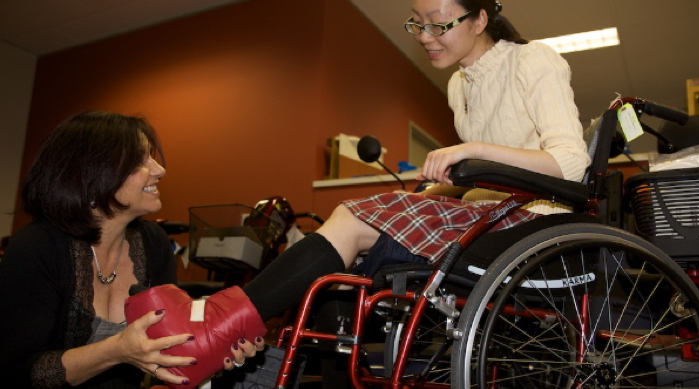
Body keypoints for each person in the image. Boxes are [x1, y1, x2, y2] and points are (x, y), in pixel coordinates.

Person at [241, 0, 590, 322]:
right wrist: (438, 187)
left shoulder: (533, 60)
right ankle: (234, 330)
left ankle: (223, 323)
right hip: (486, 216)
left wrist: (474, 150)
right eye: (418, 24)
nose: (425, 36)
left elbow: (572, 162)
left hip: (533, 224)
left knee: (351, 221)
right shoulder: (458, 85)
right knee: (341, 282)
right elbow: (487, 178)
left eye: (438, 24)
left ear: (480, 19)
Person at [0, 111, 262, 389]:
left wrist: (218, 348)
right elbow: (15, 372)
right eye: (140, 161)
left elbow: (168, 351)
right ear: (89, 175)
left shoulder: (154, 243)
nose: (160, 170)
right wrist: (115, 350)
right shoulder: (37, 248)